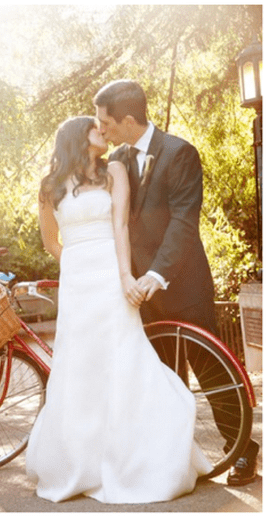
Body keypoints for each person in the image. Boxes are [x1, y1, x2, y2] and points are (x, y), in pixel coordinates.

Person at [26, 116, 212, 504]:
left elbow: (121, 227)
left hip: (111, 272)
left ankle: (143, 453)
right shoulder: (49, 186)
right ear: (78, 138)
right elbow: (49, 241)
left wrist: (125, 275)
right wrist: (75, 261)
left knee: (124, 356)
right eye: (96, 128)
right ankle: (80, 462)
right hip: (78, 281)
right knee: (80, 363)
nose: (103, 131)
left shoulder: (113, 171)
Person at [93, 79, 258, 486]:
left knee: (212, 374)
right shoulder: (116, 158)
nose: (104, 130)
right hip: (140, 297)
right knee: (161, 379)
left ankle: (242, 450)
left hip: (182, 286)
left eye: (106, 122)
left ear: (128, 119)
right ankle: (175, 458)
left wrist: (155, 274)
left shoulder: (179, 153)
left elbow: (184, 222)